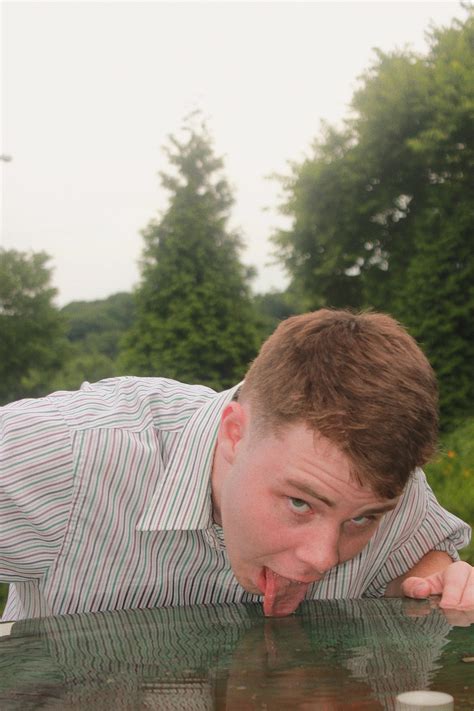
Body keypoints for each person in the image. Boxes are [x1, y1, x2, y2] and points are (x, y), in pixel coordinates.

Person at [0, 309, 472, 621]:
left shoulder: (384, 487)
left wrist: (437, 583)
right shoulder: (70, 455)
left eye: (361, 519)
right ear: (235, 434)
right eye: (300, 503)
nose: (322, 558)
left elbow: (421, 558)